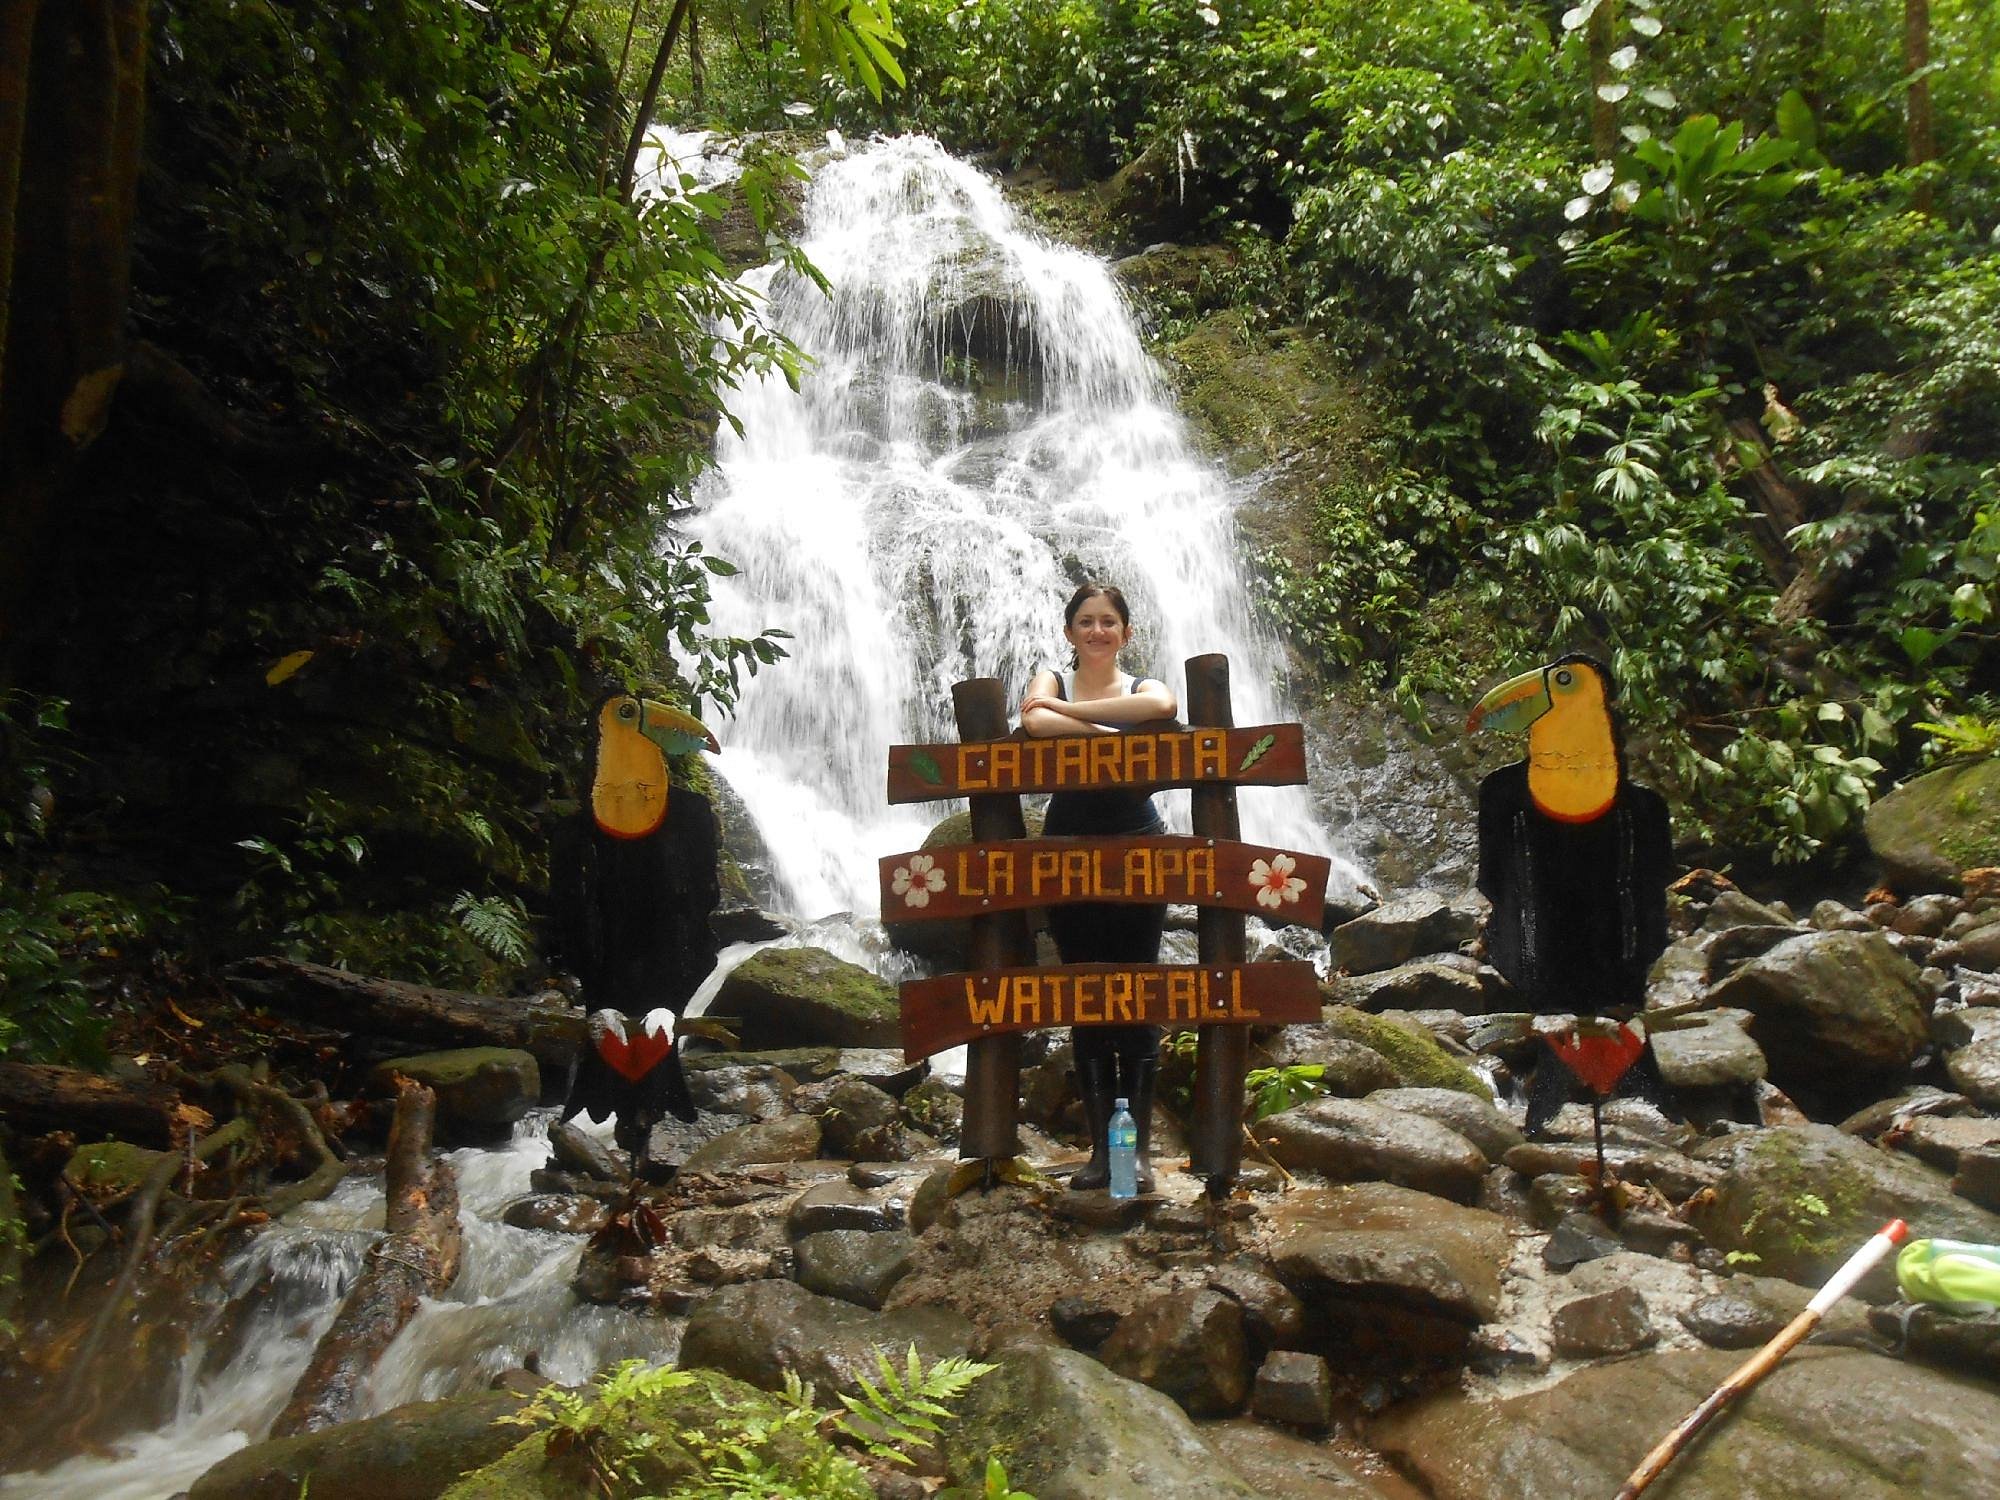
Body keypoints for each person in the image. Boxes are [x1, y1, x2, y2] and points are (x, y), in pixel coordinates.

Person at [1021, 582, 1178, 1191]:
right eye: (1085, 621)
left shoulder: (1139, 685)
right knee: (1086, 992)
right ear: (1069, 632)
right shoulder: (1053, 680)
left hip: (1138, 841)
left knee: (1137, 988)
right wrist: (1114, 740)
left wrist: (1076, 719)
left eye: (1108, 621)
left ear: (1125, 633)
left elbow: (1164, 706)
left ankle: (1134, 1155)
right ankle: (1099, 1154)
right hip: (1068, 847)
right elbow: (1034, 720)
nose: (1097, 631)